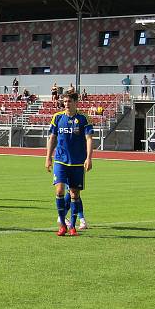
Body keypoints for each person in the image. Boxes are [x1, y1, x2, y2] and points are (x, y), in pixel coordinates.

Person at [45, 90, 93, 236]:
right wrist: (48, 157)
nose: (66, 104)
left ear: (76, 102)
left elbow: (89, 139)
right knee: (59, 191)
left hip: (78, 162)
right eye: (64, 102)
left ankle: (72, 225)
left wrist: (89, 158)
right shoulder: (57, 117)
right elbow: (52, 138)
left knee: (74, 193)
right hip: (60, 160)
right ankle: (62, 224)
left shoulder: (84, 118)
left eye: (69, 101)